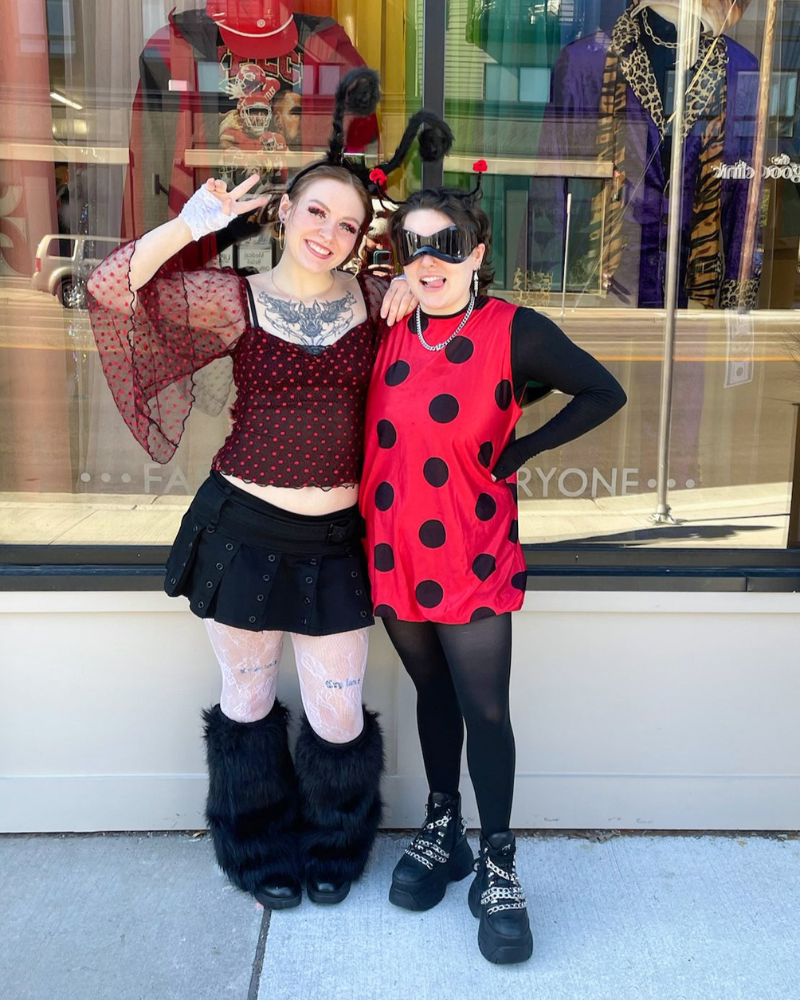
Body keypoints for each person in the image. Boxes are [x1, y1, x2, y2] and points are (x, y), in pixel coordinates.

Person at [86, 69, 451, 911]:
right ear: (284, 211)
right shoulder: (231, 299)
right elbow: (110, 292)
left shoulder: (377, 303)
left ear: (364, 239)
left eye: (349, 223)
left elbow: (469, 326)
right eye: (316, 211)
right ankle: (254, 851)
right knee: (248, 699)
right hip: (243, 527)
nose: (329, 231)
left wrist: (418, 284)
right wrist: (186, 227)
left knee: (336, 711)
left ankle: (334, 842)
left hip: (336, 543)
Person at [360, 173, 627, 963]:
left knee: (486, 709)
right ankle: (445, 831)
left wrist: (523, 449)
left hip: (471, 544)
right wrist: (388, 286)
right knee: (431, 691)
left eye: (447, 245)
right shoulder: (387, 319)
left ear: (476, 252)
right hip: (392, 538)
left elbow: (601, 391)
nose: (430, 260)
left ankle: (501, 862)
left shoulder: (516, 330)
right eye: (415, 245)